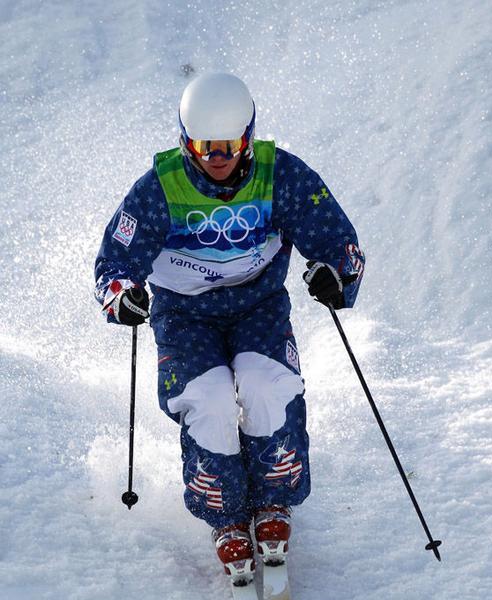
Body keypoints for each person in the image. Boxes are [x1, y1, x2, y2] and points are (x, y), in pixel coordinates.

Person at [94, 72, 365, 585]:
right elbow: (112, 265)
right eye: (204, 146)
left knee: (267, 386)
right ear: (185, 141)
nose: (217, 157)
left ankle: (273, 503)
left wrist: (336, 275)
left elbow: (336, 240)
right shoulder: (159, 190)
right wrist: (121, 298)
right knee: (210, 398)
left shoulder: (279, 175)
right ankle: (227, 516)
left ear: (248, 136)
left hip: (258, 306)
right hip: (184, 315)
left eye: (229, 145)